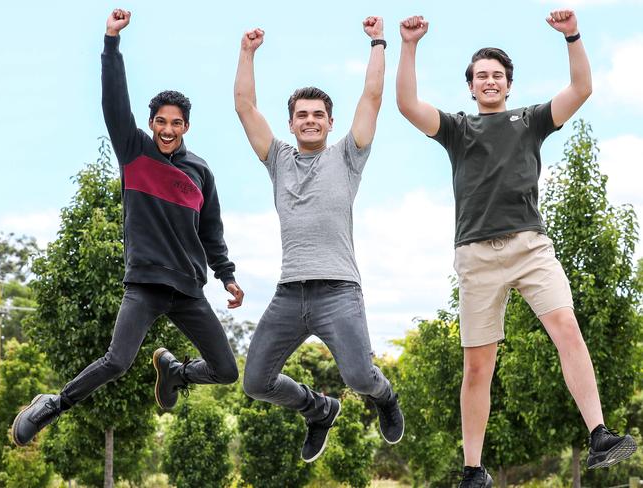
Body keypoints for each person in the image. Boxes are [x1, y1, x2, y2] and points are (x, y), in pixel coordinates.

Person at [396, 9, 637, 487]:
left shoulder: (529, 121)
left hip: (531, 246)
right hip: (476, 256)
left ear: (508, 84)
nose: (489, 81)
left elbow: (582, 89)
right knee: (477, 364)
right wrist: (408, 45)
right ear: (471, 86)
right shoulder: (457, 129)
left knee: (567, 327)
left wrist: (572, 35)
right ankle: (473, 470)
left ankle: (600, 435)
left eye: (497, 75)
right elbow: (407, 105)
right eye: (481, 75)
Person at [12, 8, 244, 447]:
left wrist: (227, 275)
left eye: (176, 123)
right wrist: (111, 42)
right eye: (161, 121)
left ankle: (175, 372)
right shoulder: (135, 152)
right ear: (151, 122)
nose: (168, 129)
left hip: (189, 288)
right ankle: (51, 404)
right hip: (145, 283)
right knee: (117, 361)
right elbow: (114, 102)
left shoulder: (200, 172)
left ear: (186, 127)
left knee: (227, 371)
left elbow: (210, 230)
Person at [234, 16, 404, 463]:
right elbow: (245, 107)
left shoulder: (348, 156)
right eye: (301, 116)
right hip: (290, 293)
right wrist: (247, 52)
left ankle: (385, 396)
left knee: (361, 378)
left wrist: (378, 43)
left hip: (339, 292)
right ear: (291, 124)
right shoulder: (277, 160)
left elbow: (372, 97)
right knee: (254, 382)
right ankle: (318, 410)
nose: (310, 121)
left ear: (329, 123)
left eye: (318, 115)